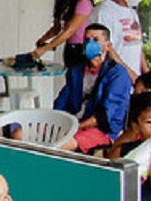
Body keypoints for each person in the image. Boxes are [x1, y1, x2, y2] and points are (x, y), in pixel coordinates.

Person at [52, 23, 132, 153]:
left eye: (95, 40)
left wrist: (76, 127)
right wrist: (56, 123)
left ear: (107, 46)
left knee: (58, 145)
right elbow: (61, 101)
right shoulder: (76, 70)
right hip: (71, 123)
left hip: (101, 130)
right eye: (87, 40)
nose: (89, 44)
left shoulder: (118, 74)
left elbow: (105, 114)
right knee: (20, 135)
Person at [90, 0, 148, 80]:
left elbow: (137, 45)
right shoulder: (103, 12)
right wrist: (130, 75)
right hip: (114, 79)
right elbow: (106, 49)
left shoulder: (132, 12)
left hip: (134, 80)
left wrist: (146, 74)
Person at [30, 0, 92, 65]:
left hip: (82, 49)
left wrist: (45, 48)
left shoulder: (83, 3)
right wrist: (43, 40)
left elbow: (70, 31)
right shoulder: (65, 2)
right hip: (70, 48)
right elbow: (57, 28)